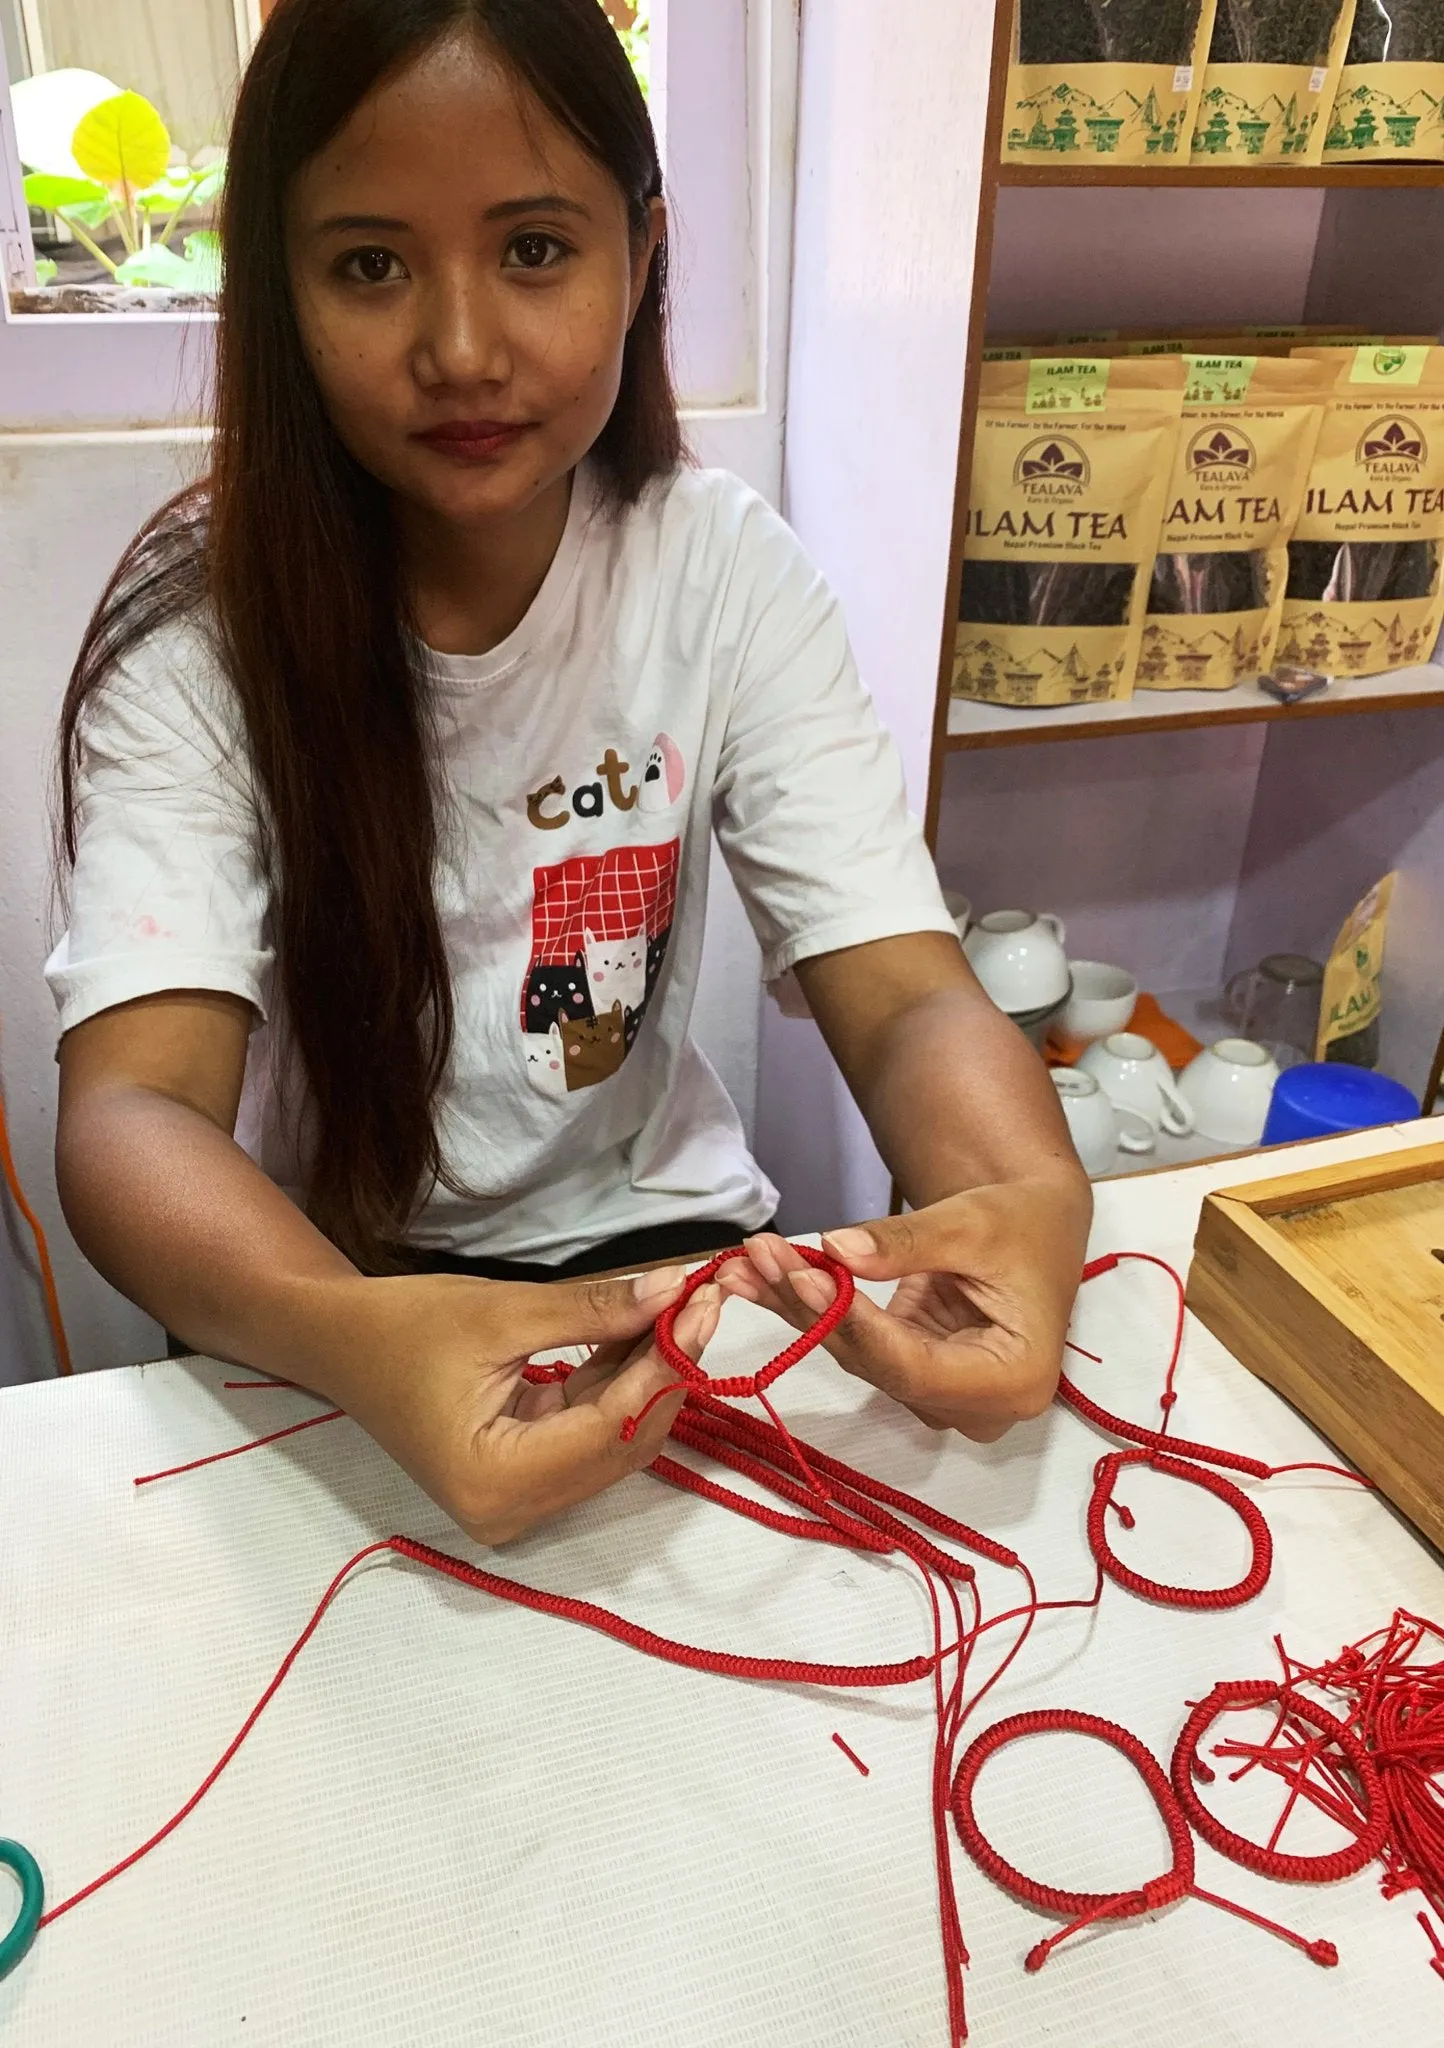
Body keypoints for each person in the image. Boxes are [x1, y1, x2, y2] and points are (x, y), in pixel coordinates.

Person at [49, 0, 1090, 1546]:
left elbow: (914, 996)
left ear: (643, 254)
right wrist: (358, 1337)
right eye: (370, 264)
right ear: (279, 284)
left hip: (668, 1260)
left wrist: (1032, 1201)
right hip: (340, 1303)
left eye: (535, 248)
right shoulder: (197, 636)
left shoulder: (722, 568)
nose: (461, 349)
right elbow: (133, 1110)